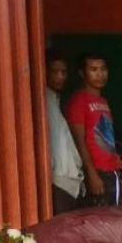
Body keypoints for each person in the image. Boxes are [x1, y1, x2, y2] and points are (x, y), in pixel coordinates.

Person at [65, 52, 122, 205]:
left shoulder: (102, 101)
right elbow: (79, 140)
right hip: (97, 171)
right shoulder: (79, 101)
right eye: (93, 69)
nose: (100, 74)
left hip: (110, 170)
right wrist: (91, 173)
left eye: (103, 69)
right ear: (82, 73)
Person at [44, 51, 84, 214]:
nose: (60, 77)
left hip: (70, 182)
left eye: (64, 72)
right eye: (54, 72)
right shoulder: (43, 102)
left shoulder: (56, 101)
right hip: (57, 182)